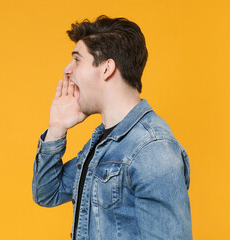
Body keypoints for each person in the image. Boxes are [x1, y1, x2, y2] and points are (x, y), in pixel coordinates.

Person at [32, 15, 192, 240]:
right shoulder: (103, 141)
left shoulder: (152, 149)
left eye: (77, 60)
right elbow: (48, 193)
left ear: (107, 68)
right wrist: (56, 128)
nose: (67, 70)